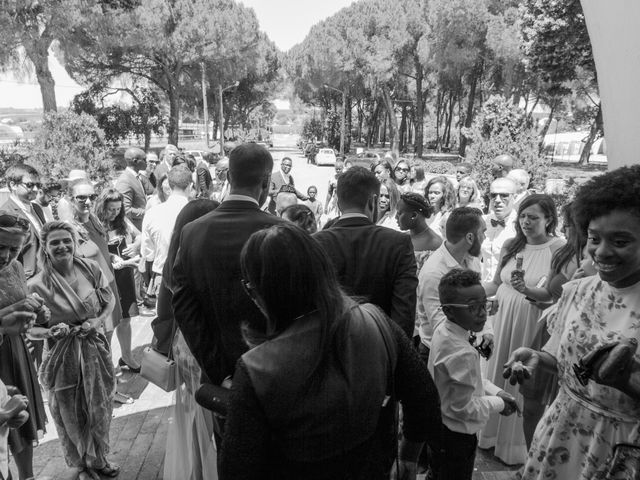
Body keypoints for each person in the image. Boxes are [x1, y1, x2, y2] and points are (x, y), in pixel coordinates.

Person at [220, 223, 442, 480]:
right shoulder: (376, 321)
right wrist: (408, 458)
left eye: (249, 287)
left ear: (258, 290)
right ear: (322, 269)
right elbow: (424, 398)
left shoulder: (256, 368)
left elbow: (236, 469)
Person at [503, 165, 640, 480]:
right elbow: (561, 360)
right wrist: (536, 358)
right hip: (560, 434)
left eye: (620, 242)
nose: (601, 252)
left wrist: (626, 381)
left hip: (621, 451)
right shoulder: (578, 291)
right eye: (594, 238)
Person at [172, 143, 286, 386]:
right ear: (266, 182)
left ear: (230, 177)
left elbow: (184, 307)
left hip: (222, 380)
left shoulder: (191, 232)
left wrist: (220, 373)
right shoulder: (283, 232)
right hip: (276, 373)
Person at [28, 222, 118, 480]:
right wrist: (49, 333)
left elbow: (108, 300)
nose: (62, 246)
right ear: (44, 247)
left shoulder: (90, 268)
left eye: (66, 240)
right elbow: (29, 330)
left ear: (74, 241)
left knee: (99, 405)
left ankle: (99, 458)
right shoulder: (36, 285)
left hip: (93, 349)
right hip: (61, 357)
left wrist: (97, 321)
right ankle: (81, 464)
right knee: (69, 411)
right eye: (54, 242)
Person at [479, 194, 564, 465]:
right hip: (503, 316)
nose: (526, 222)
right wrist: (469, 290)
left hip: (530, 320)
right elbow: (494, 284)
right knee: (497, 368)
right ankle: (489, 435)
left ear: (549, 219)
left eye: (534, 217)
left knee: (520, 373)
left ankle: (514, 446)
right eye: (523, 217)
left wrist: (524, 289)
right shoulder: (510, 245)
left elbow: (553, 295)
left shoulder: (558, 248)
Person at [429, 269, 519, 480]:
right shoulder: (461, 352)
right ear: (449, 311)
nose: (482, 313)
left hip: (439, 428)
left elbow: (471, 380)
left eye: (483, 304)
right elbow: (464, 408)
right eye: (472, 307)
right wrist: (499, 404)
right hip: (456, 437)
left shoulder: (445, 329)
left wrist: (498, 392)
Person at [314, 167, 417, 337]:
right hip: (381, 348)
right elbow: (404, 313)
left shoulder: (315, 243)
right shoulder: (399, 243)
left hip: (329, 350)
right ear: (373, 201)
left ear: (339, 202)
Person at [159, 199, 219, 480]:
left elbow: (164, 312)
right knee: (211, 413)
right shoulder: (206, 258)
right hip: (204, 344)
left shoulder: (173, 259)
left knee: (194, 413)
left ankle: (197, 470)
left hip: (183, 344)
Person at [0, 211, 47, 480]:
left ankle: (27, 476)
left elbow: (25, 302)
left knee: (22, 420)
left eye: (15, 249)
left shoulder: (17, 268)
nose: (7, 255)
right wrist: (16, 309)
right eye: (1, 247)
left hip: (17, 351)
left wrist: (39, 313)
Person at [416, 207, 489, 358]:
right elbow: (442, 326)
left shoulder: (472, 259)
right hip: (438, 353)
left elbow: (477, 303)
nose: (485, 237)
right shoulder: (434, 273)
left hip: (465, 348)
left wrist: (487, 330)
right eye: (483, 232)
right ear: (470, 238)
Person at [94, 188, 142, 372]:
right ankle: (108, 363)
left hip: (124, 275)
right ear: (102, 206)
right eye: (110, 209)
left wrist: (136, 245)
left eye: (117, 209)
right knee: (109, 323)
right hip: (106, 278)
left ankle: (127, 356)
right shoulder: (96, 224)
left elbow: (140, 235)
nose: (114, 213)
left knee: (126, 319)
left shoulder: (123, 221)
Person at [141, 166, 192, 306]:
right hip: (191, 278)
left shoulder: (152, 213)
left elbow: (148, 253)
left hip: (162, 276)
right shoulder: (199, 212)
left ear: (168, 185)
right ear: (190, 186)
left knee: (164, 323)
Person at [1, 164, 45, 279]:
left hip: (44, 277)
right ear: (13, 185)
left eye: (38, 185)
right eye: (30, 185)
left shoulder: (37, 208)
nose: (36, 189)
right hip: (26, 281)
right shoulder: (7, 214)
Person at [480, 177, 518, 282]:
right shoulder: (483, 222)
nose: (497, 200)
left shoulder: (521, 226)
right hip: (485, 289)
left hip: (508, 291)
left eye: (504, 195)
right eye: (493, 195)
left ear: (515, 197)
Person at [395, 192, 441, 274]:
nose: (395, 217)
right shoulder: (402, 237)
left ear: (414, 215)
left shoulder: (435, 243)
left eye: (399, 213)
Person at [115, 147, 148, 231]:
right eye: (144, 159)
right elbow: (126, 210)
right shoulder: (125, 180)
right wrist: (147, 212)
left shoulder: (136, 176)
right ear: (135, 161)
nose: (146, 162)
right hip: (134, 229)